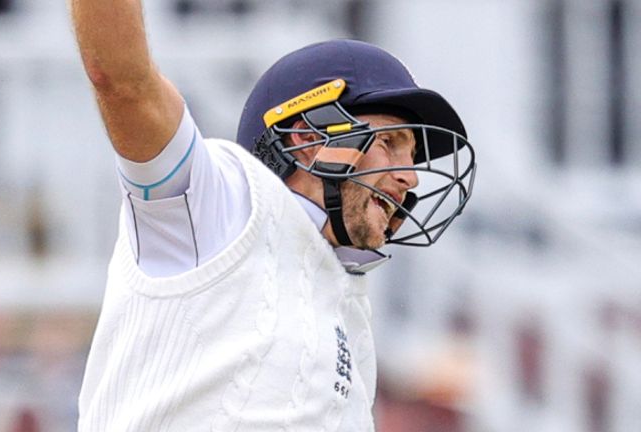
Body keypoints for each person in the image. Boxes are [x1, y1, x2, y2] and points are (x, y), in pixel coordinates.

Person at [70, 1, 476, 431]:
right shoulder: (217, 200)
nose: (409, 177)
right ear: (306, 136)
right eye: (390, 141)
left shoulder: (346, 301)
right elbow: (121, 81)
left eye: (411, 154)